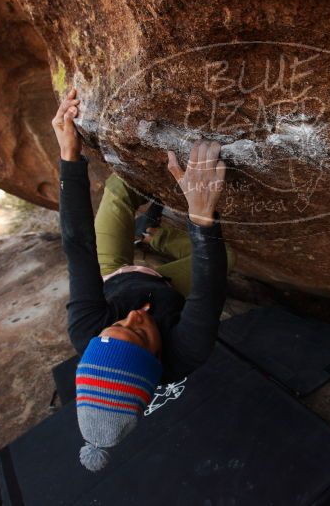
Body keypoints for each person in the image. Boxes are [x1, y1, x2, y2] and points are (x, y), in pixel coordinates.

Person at [52, 88, 234, 471]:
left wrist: (69, 156)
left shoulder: (85, 330)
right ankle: (156, 237)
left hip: (113, 271)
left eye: (117, 323)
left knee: (119, 191)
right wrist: (200, 216)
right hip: (164, 284)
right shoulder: (187, 351)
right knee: (225, 255)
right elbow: (207, 291)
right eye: (138, 333)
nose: (135, 316)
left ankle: (143, 226)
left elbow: (78, 247)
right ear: (157, 358)